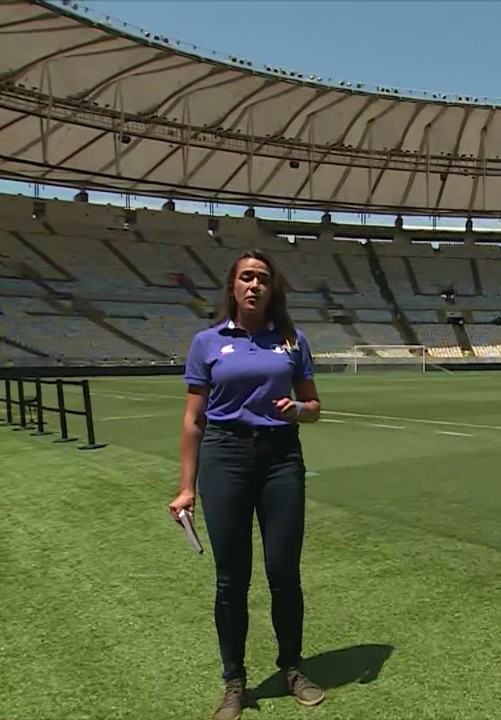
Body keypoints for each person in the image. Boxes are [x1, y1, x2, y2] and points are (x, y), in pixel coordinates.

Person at [168, 249, 325, 720]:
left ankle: (292, 667)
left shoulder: (293, 341)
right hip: (226, 457)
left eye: (262, 278)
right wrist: (186, 487)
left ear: (272, 289)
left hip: (281, 459)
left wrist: (298, 411)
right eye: (246, 278)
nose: (254, 285)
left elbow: (314, 406)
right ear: (232, 288)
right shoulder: (208, 342)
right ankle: (234, 681)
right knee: (231, 579)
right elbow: (194, 420)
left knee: (284, 573)